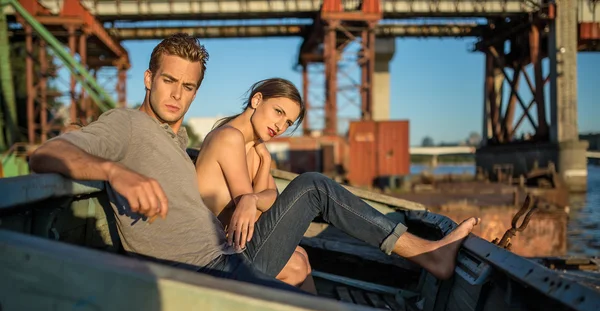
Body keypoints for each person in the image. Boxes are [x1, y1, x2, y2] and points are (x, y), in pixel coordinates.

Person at [29, 33, 480, 295]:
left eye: (187, 87)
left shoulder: (177, 136)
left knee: (303, 253)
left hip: (224, 257)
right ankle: (426, 254)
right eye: (168, 81)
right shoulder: (126, 124)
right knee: (313, 186)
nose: (176, 95)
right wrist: (113, 171)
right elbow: (43, 154)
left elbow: (241, 194)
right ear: (149, 79)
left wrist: (255, 185)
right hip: (202, 274)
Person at [195, 78, 315, 292]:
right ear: (257, 100)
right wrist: (255, 199)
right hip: (207, 255)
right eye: (278, 111)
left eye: (288, 122)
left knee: (301, 255)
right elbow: (259, 215)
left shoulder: (256, 149)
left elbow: (269, 201)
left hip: (231, 246)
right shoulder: (229, 138)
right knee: (296, 265)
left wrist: (265, 165)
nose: (280, 126)